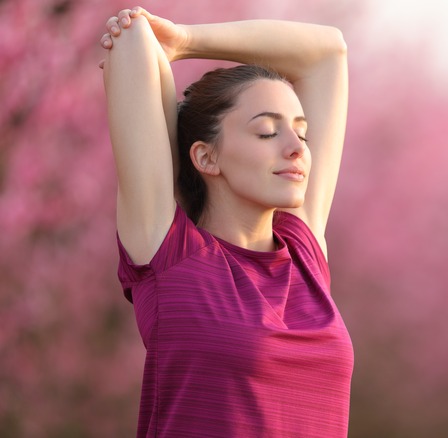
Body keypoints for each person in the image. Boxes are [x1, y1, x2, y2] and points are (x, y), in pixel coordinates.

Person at [99, 7, 352, 437]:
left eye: (302, 132)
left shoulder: (305, 258)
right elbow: (132, 42)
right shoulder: (172, 257)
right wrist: (147, 35)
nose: (297, 149)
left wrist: (185, 40)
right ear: (205, 157)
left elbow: (329, 53)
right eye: (268, 132)